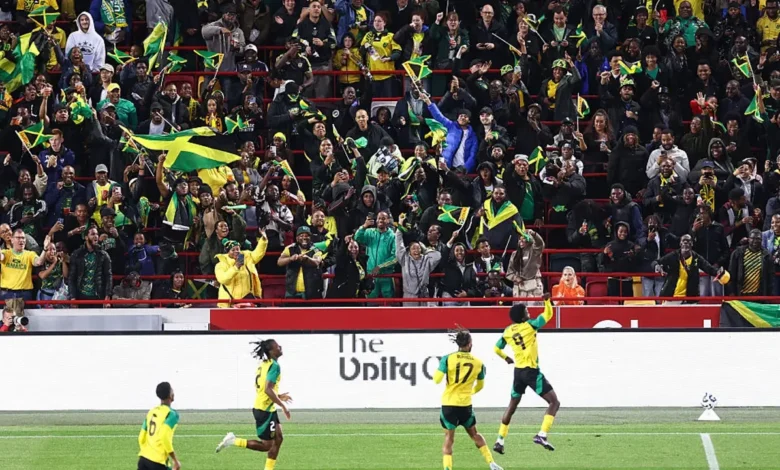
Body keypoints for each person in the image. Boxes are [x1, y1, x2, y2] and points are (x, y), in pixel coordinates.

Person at [493, 293, 560, 454]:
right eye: (527, 312)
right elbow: (548, 315)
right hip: (531, 371)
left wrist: (506, 358)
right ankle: (542, 434)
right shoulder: (530, 325)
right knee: (554, 402)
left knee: (512, 406)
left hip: (518, 372)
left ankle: (499, 441)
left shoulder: (508, 331)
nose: (529, 313)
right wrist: (547, 301)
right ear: (523, 317)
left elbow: (496, 348)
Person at [216, 339, 292, 470]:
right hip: (264, 411)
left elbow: (264, 389)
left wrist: (278, 396)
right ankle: (233, 440)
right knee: (267, 445)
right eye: (277, 346)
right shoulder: (274, 366)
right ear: (271, 351)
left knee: (279, 438)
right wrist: (283, 406)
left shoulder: (264, 364)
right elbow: (267, 390)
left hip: (267, 407)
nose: (280, 347)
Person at [434, 326, 503, 470]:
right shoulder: (479, 363)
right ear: (470, 343)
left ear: (458, 343)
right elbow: (480, 386)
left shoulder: (447, 359)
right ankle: (492, 463)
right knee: (475, 434)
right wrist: (469, 393)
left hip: (449, 404)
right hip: (465, 406)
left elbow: (436, 379)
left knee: (449, 439)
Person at [653, 234, 727, 304]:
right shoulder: (673, 256)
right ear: (680, 244)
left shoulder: (696, 258)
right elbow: (655, 262)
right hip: (672, 297)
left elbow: (709, 268)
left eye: (688, 241)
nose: (685, 243)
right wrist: (657, 266)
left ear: (692, 244)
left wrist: (718, 272)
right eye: (683, 241)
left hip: (690, 299)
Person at [395, 215, 442, 305]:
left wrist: (425, 249)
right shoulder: (405, 259)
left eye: (418, 248)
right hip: (409, 297)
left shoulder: (426, 260)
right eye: (413, 249)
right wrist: (400, 226)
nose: (416, 250)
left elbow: (437, 256)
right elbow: (398, 244)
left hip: (424, 296)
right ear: (409, 251)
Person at [214, 231, 269, 308]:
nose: (236, 252)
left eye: (238, 249)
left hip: (247, 301)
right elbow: (223, 279)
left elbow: (258, 254)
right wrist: (236, 267)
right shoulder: (220, 265)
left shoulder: (247, 258)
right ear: (227, 252)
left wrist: (263, 240)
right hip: (229, 304)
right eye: (233, 250)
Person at [138, 382, 181, 470]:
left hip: (143, 460)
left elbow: (141, 437)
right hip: (157, 463)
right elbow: (164, 435)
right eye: (172, 389)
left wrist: (147, 453)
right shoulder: (171, 414)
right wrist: (175, 460)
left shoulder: (151, 412)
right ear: (170, 395)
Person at [68, 226, 112, 307]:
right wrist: (72, 297)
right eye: (93, 234)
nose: (96, 236)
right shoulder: (77, 254)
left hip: (98, 295)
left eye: (97, 234)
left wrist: (107, 295)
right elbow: (71, 277)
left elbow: (108, 276)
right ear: (86, 237)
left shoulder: (103, 255)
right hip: (81, 296)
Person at [0, 228, 45, 301]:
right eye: (18, 238)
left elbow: (39, 262)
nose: (21, 240)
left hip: (24, 294)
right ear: (12, 240)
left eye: (23, 238)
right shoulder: (5, 252)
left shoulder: (30, 254)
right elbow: (1, 257)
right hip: (6, 293)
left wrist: (45, 249)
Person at [728, 229, 773, 297]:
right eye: (753, 238)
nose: (755, 241)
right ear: (748, 239)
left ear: (761, 240)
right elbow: (731, 272)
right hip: (740, 293)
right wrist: (731, 291)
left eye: (758, 239)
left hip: (759, 295)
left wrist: (769, 294)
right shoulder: (737, 253)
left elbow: (770, 277)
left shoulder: (767, 255)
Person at [506, 230, 545, 305]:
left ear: (529, 239)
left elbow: (540, 244)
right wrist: (516, 278)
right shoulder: (514, 254)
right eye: (519, 239)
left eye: (523, 238)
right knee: (519, 311)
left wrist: (534, 234)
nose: (521, 241)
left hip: (534, 287)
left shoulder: (534, 251)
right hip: (519, 288)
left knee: (535, 310)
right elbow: (509, 273)